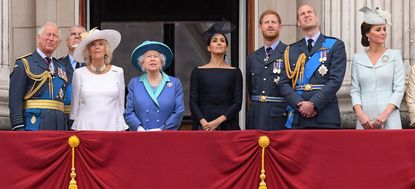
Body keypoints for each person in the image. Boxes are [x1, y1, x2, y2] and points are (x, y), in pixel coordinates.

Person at [279, 4, 347, 129]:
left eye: (309, 12)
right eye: (302, 14)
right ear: (298, 23)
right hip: (298, 117)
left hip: (326, 115)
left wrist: (314, 103)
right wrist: (299, 104)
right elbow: (283, 83)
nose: (306, 15)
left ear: (317, 18)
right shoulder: (291, 50)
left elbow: (336, 80)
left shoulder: (335, 45)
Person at [351, 7, 404, 130]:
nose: (383, 32)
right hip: (365, 119)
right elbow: (355, 90)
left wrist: (385, 114)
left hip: (390, 116)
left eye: (384, 29)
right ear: (367, 33)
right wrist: (360, 115)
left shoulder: (394, 55)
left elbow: (399, 89)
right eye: (378, 29)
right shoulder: (357, 58)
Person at [9, 22, 68, 131]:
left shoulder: (61, 67)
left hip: (58, 127)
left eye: (55, 36)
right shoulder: (25, 63)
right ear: (38, 38)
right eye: (48, 34)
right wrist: (18, 128)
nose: (51, 38)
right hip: (34, 125)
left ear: (58, 42)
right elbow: (15, 100)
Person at [70, 28, 128, 131]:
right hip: (86, 129)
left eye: (101, 44)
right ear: (88, 51)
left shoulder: (118, 72)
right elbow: (75, 109)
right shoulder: (79, 73)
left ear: (106, 49)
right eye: (93, 44)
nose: (97, 47)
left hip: (112, 128)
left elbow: (120, 106)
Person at [189, 22, 242, 131]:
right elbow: (193, 102)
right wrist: (204, 122)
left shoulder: (235, 72)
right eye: (214, 41)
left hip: (227, 124)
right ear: (209, 47)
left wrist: (217, 122)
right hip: (203, 125)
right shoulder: (198, 71)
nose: (219, 43)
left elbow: (237, 103)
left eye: (222, 41)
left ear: (226, 47)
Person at [124, 41, 185, 131]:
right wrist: (139, 128)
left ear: (162, 62)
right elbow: (129, 112)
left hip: (166, 135)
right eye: (148, 56)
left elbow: (179, 111)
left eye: (156, 56)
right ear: (142, 63)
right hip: (141, 136)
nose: (152, 59)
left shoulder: (175, 83)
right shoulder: (134, 83)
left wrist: (162, 129)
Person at [246, 10, 288, 130]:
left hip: (279, 116)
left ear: (280, 27)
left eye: (273, 22)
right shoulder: (253, 57)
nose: (270, 25)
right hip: (256, 116)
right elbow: (250, 88)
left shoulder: (289, 53)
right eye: (266, 22)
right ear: (260, 27)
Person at [59, 25, 86, 127]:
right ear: (66, 41)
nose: (77, 36)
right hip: (64, 121)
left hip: (87, 121)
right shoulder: (57, 65)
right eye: (73, 34)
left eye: (80, 35)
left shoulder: (93, 66)